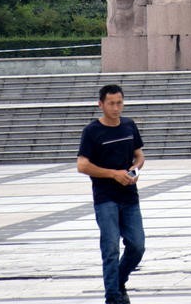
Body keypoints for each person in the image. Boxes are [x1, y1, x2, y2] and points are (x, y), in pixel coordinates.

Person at [78, 84, 146, 304]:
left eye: (119, 103)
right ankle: (114, 298)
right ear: (101, 104)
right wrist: (113, 174)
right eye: (111, 104)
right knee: (110, 249)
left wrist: (134, 170)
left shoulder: (129, 125)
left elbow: (139, 155)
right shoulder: (92, 131)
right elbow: (82, 165)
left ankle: (118, 281)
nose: (116, 108)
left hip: (130, 196)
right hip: (105, 198)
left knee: (137, 246)